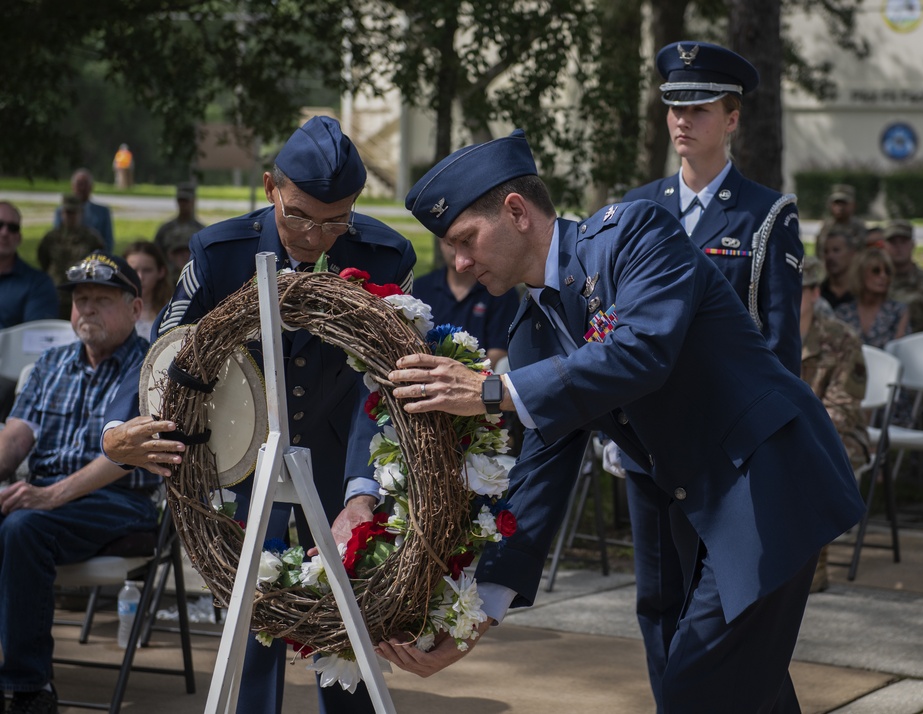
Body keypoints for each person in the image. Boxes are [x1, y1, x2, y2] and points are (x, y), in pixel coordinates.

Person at [376, 130, 864, 713]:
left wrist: (489, 391)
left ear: (515, 212)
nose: (458, 262)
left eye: (465, 239)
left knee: (694, 690)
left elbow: (640, 353)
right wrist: (472, 620)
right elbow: (536, 483)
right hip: (707, 503)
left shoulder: (634, 233)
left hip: (768, 483)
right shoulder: (529, 335)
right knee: (747, 691)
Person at [101, 116, 415, 714]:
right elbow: (170, 350)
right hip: (247, 458)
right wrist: (119, 428)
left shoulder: (384, 254)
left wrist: (363, 488)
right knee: (254, 618)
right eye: (298, 215)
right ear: (271, 186)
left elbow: (384, 381)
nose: (315, 236)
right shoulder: (221, 253)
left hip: (335, 450)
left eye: (335, 220)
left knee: (344, 617)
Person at [0, 252, 157, 714]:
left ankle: (29, 690)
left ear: (134, 309)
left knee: (21, 529)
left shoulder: (149, 370)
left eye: (101, 300)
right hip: (44, 497)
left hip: (119, 501)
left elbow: (125, 459)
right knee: (21, 523)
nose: (86, 309)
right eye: (80, 299)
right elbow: (15, 438)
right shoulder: (51, 365)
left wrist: (48, 496)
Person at [623, 41, 803, 374]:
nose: (682, 121)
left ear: (731, 120)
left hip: (729, 403)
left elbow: (782, 338)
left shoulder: (768, 214)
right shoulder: (638, 206)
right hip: (644, 405)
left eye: (699, 109)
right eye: (676, 108)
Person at [799, 256, 870, 592]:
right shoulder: (758, 334)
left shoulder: (841, 339)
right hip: (777, 435)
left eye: (797, 290)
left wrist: (794, 437)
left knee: (813, 460)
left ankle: (812, 566)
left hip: (835, 435)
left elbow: (843, 407)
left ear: (814, 293)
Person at [412, 236, 520, 368]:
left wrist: (466, 375)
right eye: (449, 244)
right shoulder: (421, 287)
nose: (455, 251)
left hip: (480, 379)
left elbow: (499, 352)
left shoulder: (500, 290)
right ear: (440, 244)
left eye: (464, 243)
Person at [0, 200, 60, 421]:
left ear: (19, 237)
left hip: (6, 378)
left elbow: (35, 344)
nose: (5, 232)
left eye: (12, 227)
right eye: (0, 225)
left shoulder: (38, 284)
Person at [38, 195, 106, 319]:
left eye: (74, 213)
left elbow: (100, 263)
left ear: (81, 214)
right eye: (67, 212)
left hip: (82, 294)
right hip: (55, 294)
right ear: (62, 213)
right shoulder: (51, 237)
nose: (70, 216)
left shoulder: (92, 238)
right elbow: (44, 261)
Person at [835, 247, 910, 349]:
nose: (883, 276)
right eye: (876, 271)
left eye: (887, 272)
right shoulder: (843, 313)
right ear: (861, 274)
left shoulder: (898, 311)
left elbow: (900, 350)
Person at [52, 169, 114, 253]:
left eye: (85, 184)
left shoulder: (103, 212)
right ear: (72, 186)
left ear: (91, 187)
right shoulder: (62, 211)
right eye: (79, 184)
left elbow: (108, 243)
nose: (82, 188)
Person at [153, 182, 205, 281]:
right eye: (180, 200)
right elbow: (155, 256)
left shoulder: (201, 231)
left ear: (193, 201)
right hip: (167, 280)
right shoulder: (165, 230)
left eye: (186, 201)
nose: (183, 204)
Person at [123, 241, 171, 341]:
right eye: (133, 271)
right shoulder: (112, 310)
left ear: (161, 272)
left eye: (147, 270)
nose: (140, 277)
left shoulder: (171, 312)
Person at [814, 184, 867, 257]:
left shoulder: (858, 227)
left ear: (853, 205)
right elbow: (819, 252)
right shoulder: (826, 227)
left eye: (843, 203)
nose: (839, 207)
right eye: (836, 203)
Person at [820, 227, 859, 310]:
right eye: (826, 251)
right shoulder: (817, 294)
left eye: (836, 250)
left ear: (852, 253)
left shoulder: (862, 293)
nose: (830, 256)